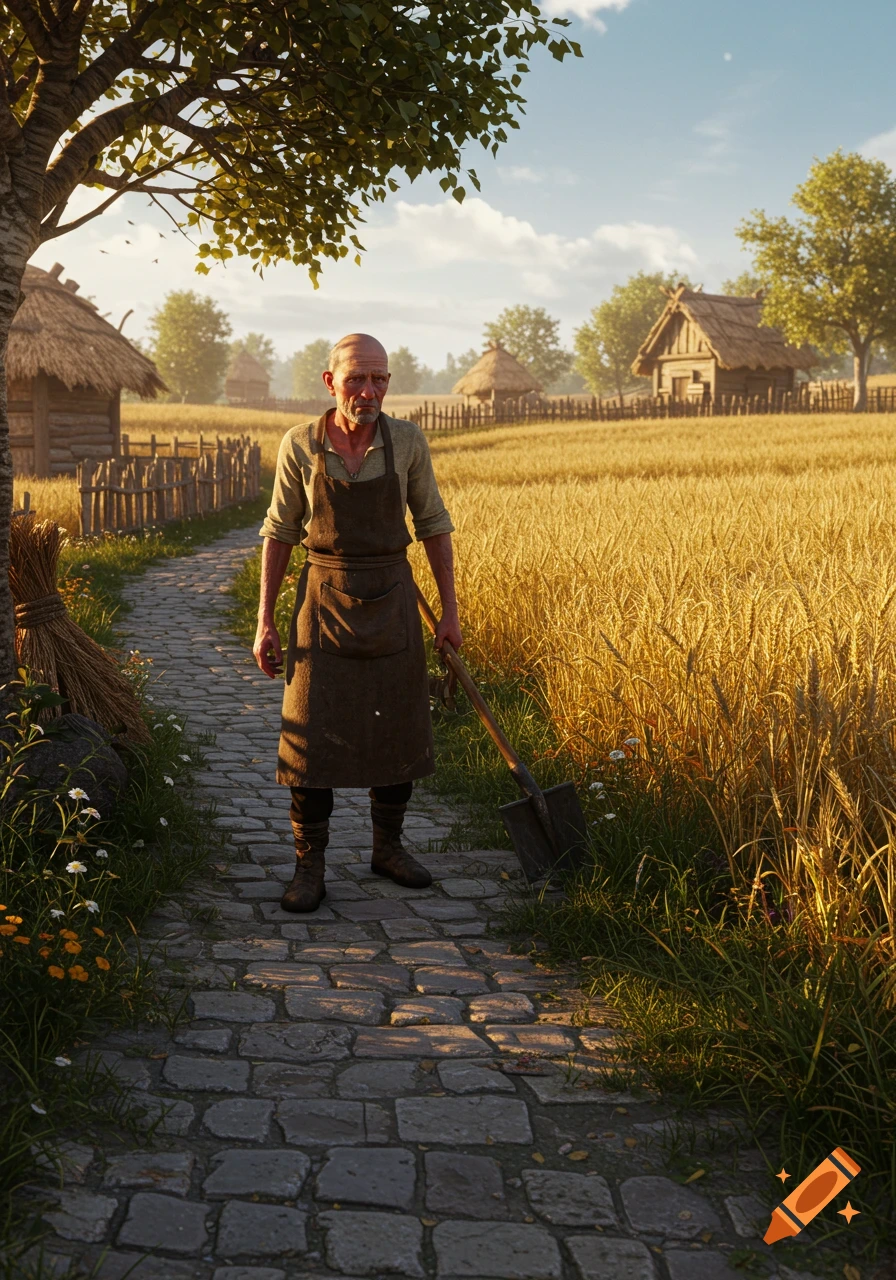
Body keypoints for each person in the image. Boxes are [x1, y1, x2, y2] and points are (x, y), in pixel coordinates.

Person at [253, 333, 461, 912]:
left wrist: (449, 612)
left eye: (380, 380)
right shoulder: (300, 445)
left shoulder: (408, 442)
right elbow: (280, 532)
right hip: (321, 603)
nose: (368, 392)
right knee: (311, 735)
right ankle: (308, 864)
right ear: (329, 382)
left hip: (393, 602)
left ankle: (387, 848)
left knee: (398, 727)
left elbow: (434, 525)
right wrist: (265, 620)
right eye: (356, 380)